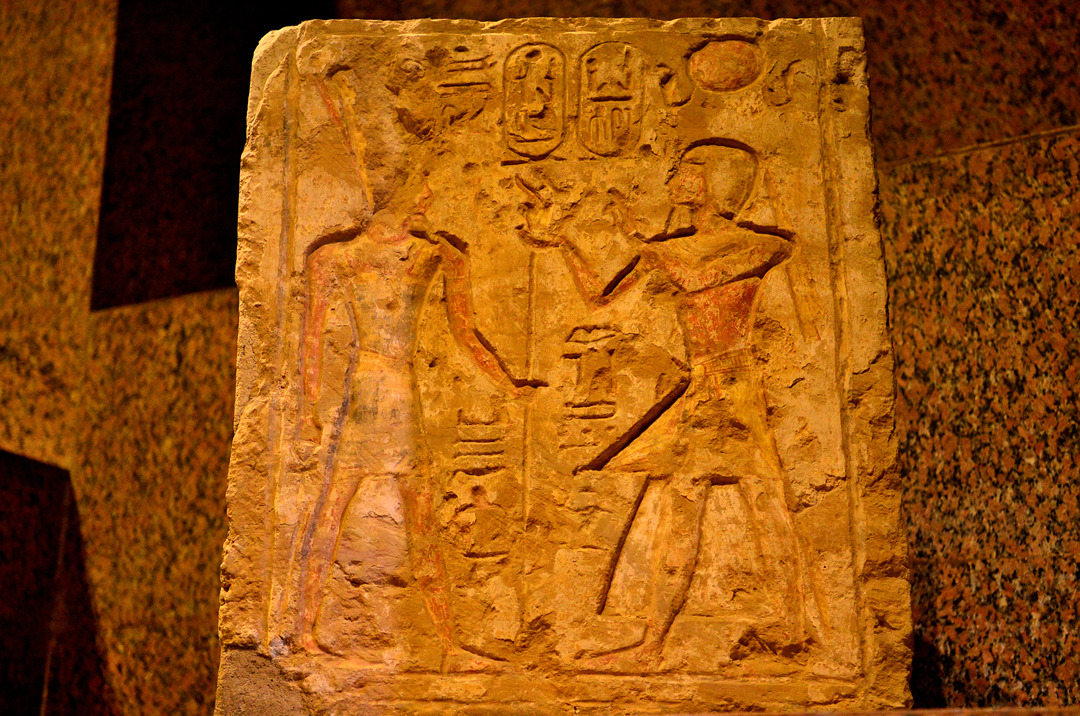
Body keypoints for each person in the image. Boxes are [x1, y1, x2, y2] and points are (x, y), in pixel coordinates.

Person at [517, 141, 816, 667]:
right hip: (703, 390)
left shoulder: (759, 246)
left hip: (736, 388)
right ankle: (655, 642)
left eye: (688, 170)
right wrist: (563, 241)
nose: (676, 177)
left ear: (716, 182)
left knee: (765, 503)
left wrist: (648, 246)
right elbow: (600, 297)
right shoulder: (668, 252)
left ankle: (794, 628)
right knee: (686, 512)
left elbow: (700, 276)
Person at [290, 175, 519, 667]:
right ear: (392, 194)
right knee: (331, 512)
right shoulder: (336, 258)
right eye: (420, 190)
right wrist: (308, 413)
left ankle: (449, 644)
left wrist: (509, 383)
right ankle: (304, 633)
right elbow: (312, 337)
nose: (428, 199)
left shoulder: (436, 256)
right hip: (365, 394)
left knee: (422, 519)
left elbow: (465, 332)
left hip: (402, 393)